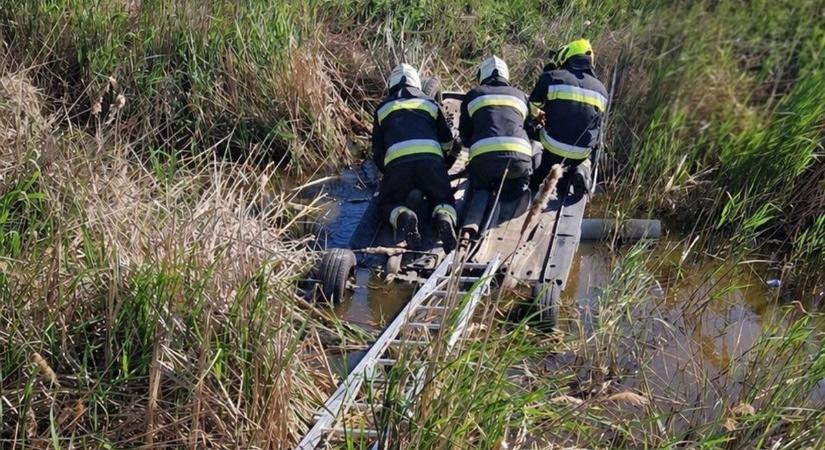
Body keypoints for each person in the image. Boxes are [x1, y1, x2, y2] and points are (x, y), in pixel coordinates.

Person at [372, 63, 458, 252]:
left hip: (398, 166)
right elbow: (447, 140)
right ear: (417, 84)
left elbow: (378, 152)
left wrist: (389, 174)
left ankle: (404, 216)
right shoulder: (430, 103)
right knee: (443, 199)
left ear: (391, 85)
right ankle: (443, 217)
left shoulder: (382, 109)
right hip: (431, 163)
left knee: (387, 204)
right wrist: (442, 164)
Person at [529, 39, 608, 195]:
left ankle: (538, 173)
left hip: (552, 145)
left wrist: (538, 115)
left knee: (538, 140)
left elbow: (530, 107)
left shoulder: (552, 77)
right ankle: (581, 170)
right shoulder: (602, 90)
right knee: (584, 151)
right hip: (581, 151)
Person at [459, 56, 536, 197]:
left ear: (481, 76)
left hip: (483, 163)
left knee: (480, 191)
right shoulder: (521, 96)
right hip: (518, 162)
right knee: (514, 193)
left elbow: (465, 135)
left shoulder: (473, 95)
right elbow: (530, 131)